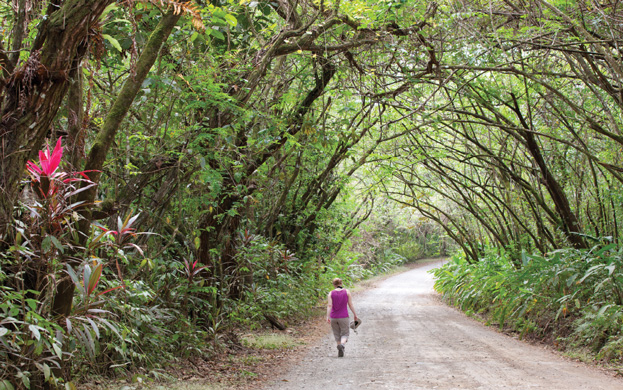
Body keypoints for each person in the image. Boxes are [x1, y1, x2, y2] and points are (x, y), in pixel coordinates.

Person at [326, 277, 358, 357]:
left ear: (334, 285)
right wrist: (355, 314)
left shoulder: (331, 293)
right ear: (341, 283)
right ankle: (342, 345)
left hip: (334, 317)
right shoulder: (347, 292)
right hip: (344, 316)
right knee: (345, 333)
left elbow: (329, 305)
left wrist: (328, 316)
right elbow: (350, 304)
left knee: (337, 334)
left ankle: (339, 348)